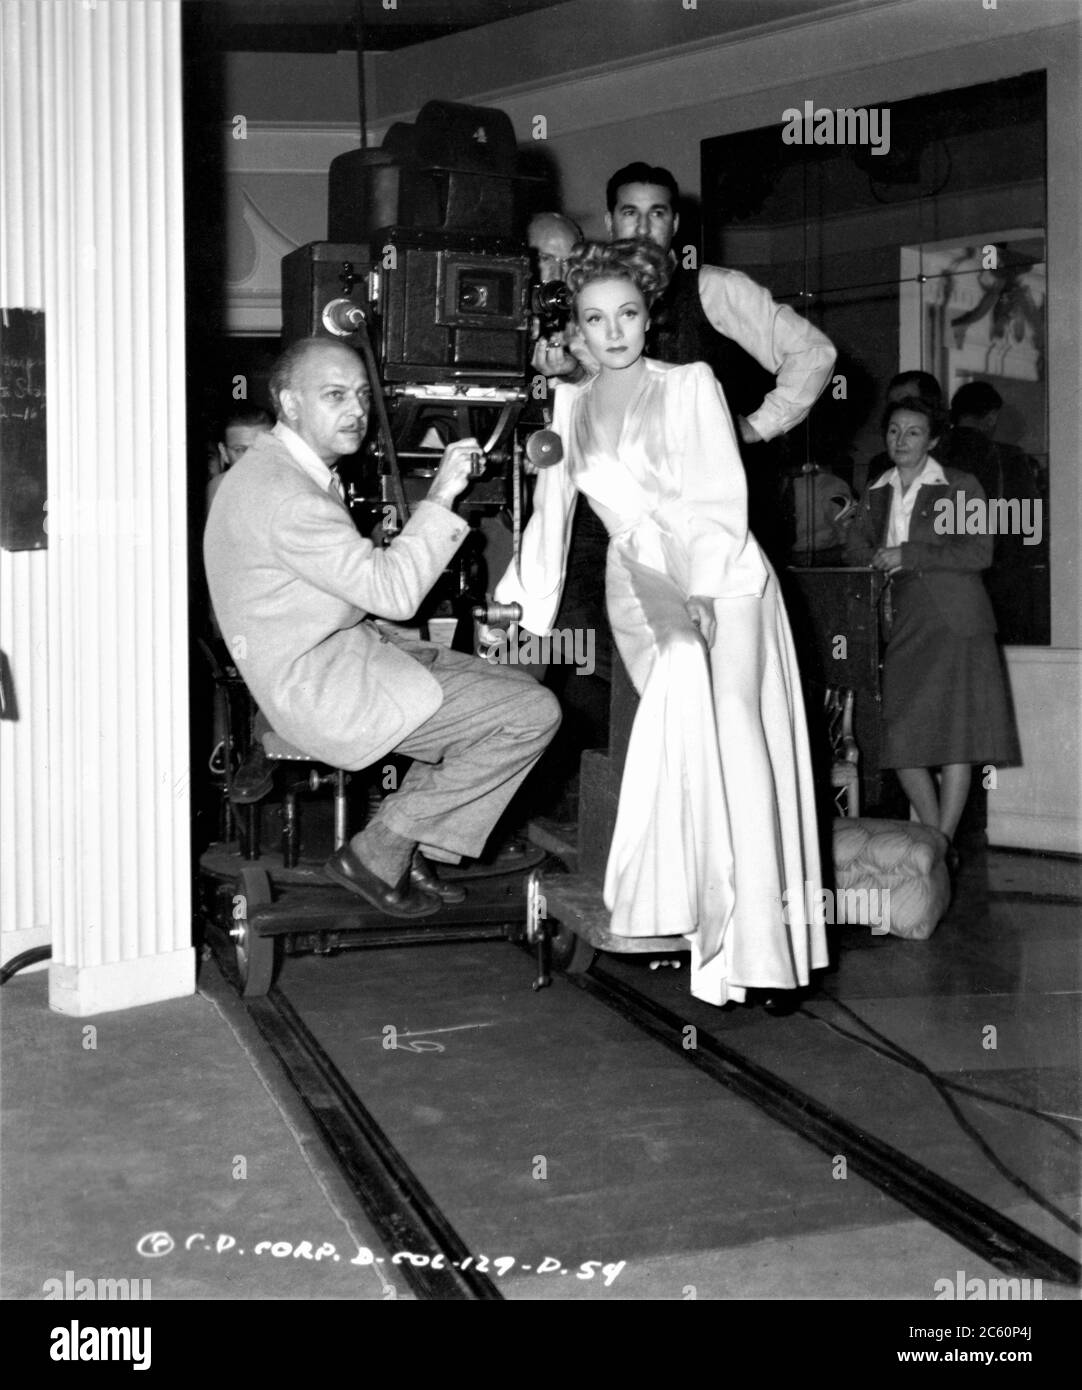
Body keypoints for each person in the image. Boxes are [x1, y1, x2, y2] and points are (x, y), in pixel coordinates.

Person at [491, 240, 829, 1008]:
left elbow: (716, 495)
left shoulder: (692, 383)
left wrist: (708, 590)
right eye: (595, 318)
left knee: (742, 734)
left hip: (725, 572)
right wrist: (523, 605)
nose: (614, 332)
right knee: (678, 667)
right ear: (574, 328)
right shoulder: (567, 408)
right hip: (640, 575)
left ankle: (762, 957)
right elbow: (551, 517)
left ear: (649, 317)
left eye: (629, 314)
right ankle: (670, 899)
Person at [204, 337, 560, 918]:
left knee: (516, 689)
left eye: (363, 396)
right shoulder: (286, 494)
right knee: (532, 714)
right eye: (335, 396)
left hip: (342, 655)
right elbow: (395, 594)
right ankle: (382, 847)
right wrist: (444, 492)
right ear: (290, 403)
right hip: (321, 686)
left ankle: (410, 844)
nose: (357, 411)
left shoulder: (276, 469)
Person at [843, 396, 1019, 863]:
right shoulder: (876, 490)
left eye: (914, 432)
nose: (901, 440)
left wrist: (908, 554)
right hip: (904, 621)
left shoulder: (959, 486)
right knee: (901, 741)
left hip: (956, 621)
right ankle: (938, 846)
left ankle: (936, 846)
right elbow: (854, 547)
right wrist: (873, 558)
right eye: (894, 431)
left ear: (935, 439)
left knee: (955, 739)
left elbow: (979, 553)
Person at [206, 405, 273, 513]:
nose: (253, 458)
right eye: (241, 450)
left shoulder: (298, 489)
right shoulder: (217, 489)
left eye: (262, 447)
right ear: (224, 453)